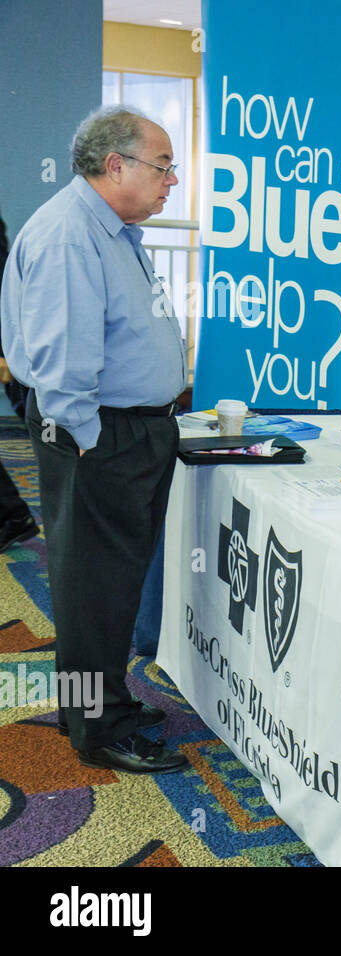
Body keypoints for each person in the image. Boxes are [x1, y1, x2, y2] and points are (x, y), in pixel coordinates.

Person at [0, 105, 187, 774]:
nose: (172, 181)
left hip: (124, 432)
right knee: (90, 590)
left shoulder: (110, 230)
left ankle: (105, 705)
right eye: (163, 166)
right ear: (116, 166)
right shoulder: (70, 235)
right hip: (98, 437)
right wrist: (87, 438)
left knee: (109, 585)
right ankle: (97, 731)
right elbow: (62, 358)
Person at [0, 208, 39, 553]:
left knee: (43, 424)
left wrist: (5, 353)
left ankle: (14, 515)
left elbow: (2, 289)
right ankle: (13, 515)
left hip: (9, 348)